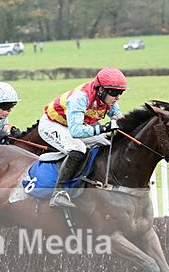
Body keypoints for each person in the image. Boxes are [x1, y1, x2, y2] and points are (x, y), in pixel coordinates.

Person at [39, 67, 127, 208]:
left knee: (104, 141)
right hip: (52, 125)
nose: (117, 97)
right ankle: (58, 192)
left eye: (120, 93)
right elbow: (76, 131)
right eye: (114, 92)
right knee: (78, 148)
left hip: (73, 125)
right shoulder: (80, 98)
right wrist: (104, 128)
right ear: (100, 89)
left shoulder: (107, 97)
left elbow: (118, 116)